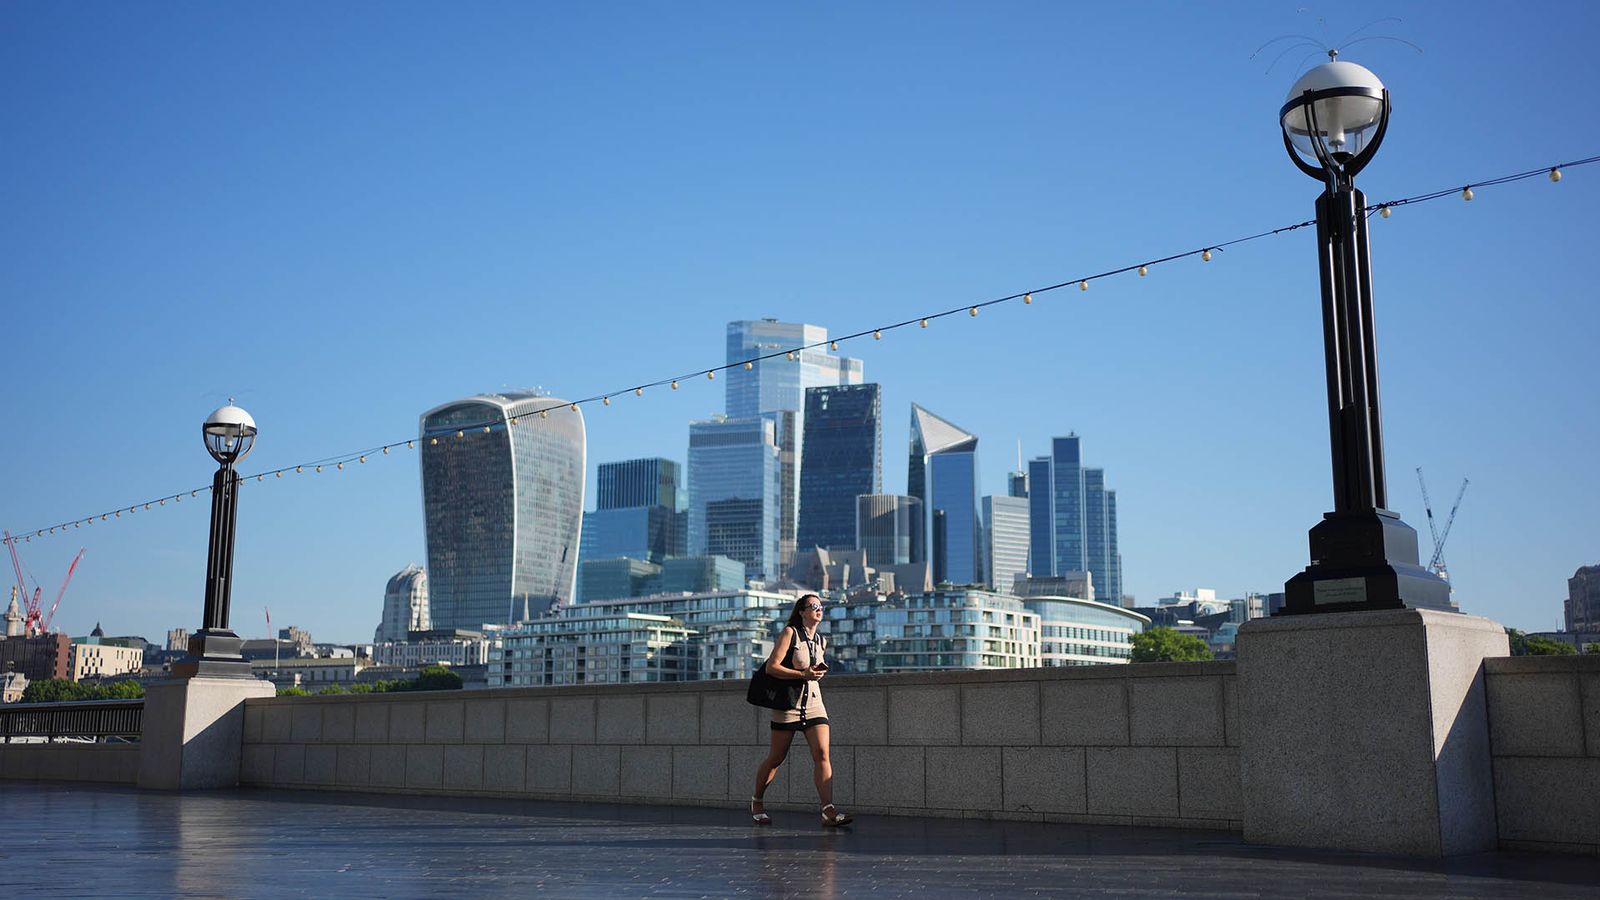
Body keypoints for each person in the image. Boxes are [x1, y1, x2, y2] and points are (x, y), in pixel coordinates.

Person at [749, 593, 852, 827]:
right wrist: (802, 674)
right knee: (776, 758)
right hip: (788, 706)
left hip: (815, 705)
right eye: (813, 606)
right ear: (802, 611)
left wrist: (815, 673)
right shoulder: (790, 633)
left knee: (822, 754)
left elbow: (811, 672)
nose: (818, 610)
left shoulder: (821, 641)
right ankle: (757, 800)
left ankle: (828, 810)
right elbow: (772, 668)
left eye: (821, 607)